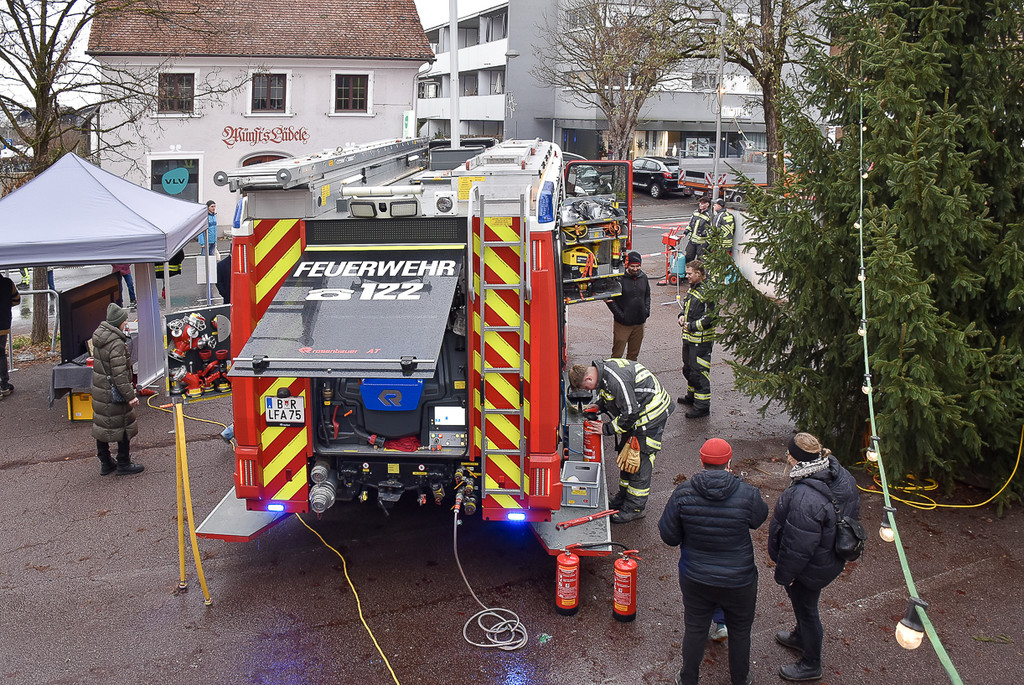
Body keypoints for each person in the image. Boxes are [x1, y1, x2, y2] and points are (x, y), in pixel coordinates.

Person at [659, 438, 767, 685]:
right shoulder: (747, 492)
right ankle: (740, 678)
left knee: (695, 628)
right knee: (740, 631)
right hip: (739, 580)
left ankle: (688, 678)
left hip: (696, 577)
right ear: (729, 462)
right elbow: (759, 518)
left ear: (702, 461)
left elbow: (669, 536)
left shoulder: (683, 492)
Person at [769, 432, 861, 682]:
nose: (786, 456)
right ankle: (800, 637)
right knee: (805, 604)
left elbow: (797, 545)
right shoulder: (841, 475)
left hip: (811, 565)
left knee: (807, 608)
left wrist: (785, 575)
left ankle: (811, 663)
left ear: (795, 458)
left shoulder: (804, 498)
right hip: (830, 557)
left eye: (789, 453)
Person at [567, 359, 672, 523]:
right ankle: (623, 497)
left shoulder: (616, 379)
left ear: (588, 379)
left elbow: (630, 413)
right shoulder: (603, 372)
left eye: (586, 387)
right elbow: (611, 395)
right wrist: (599, 406)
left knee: (638, 460)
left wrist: (606, 429)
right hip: (637, 414)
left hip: (650, 415)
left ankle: (635, 508)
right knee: (626, 455)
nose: (588, 390)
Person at [90, 303, 144, 476]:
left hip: (101, 391)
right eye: (124, 320)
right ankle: (123, 462)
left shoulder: (100, 337)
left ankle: (105, 462)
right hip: (115, 393)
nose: (126, 323)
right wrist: (130, 396)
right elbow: (120, 375)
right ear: (118, 322)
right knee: (123, 424)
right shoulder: (117, 344)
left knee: (101, 425)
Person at [677, 260, 714, 418]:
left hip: (701, 341)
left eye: (690, 274)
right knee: (688, 369)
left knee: (699, 372)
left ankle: (702, 406)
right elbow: (687, 307)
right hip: (689, 339)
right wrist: (681, 316)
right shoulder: (694, 288)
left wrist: (691, 326)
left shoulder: (708, 292)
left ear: (699, 274)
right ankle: (692, 397)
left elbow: (710, 318)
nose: (687, 276)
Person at [606, 251, 650, 361]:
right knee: (617, 354)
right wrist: (621, 316)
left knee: (633, 355)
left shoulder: (643, 277)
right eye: (632, 266)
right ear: (627, 265)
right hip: (622, 325)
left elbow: (647, 295)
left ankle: (630, 374)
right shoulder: (619, 278)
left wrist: (646, 311)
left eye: (638, 266)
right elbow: (610, 299)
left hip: (639, 323)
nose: (635, 269)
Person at [1, 272, 22, 399]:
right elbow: (16, 300)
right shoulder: (7, 283)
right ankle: (4, 384)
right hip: (3, 325)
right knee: (1, 354)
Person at [682, 195, 712, 268]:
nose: (700, 205)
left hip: (702, 243)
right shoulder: (695, 212)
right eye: (700, 203)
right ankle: (688, 274)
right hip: (692, 241)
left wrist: (707, 242)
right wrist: (685, 232)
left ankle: (699, 276)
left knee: (700, 261)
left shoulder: (710, 215)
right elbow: (690, 224)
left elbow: (711, 230)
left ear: (707, 204)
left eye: (702, 203)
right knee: (688, 257)